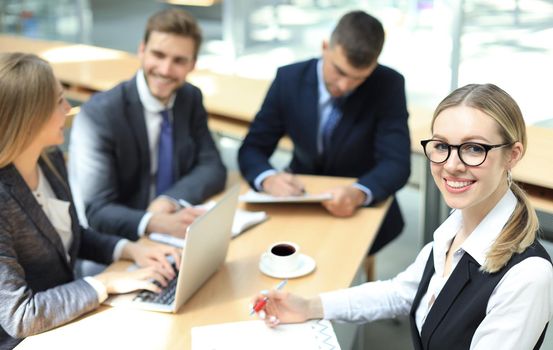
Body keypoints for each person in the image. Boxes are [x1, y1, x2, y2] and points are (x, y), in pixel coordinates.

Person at [252, 84, 553, 349]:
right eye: (442, 146)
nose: (451, 165)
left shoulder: (527, 277)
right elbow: (402, 292)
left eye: (474, 148)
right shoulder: (458, 223)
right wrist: (308, 306)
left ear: (513, 155)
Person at [0, 53, 182, 349]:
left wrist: (130, 249)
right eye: (59, 101)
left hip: (69, 318)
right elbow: (20, 316)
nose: (69, 108)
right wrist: (105, 284)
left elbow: (70, 235)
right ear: (31, 117)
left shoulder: (49, 159)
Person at [238, 10, 410, 254]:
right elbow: (253, 147)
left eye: (358, 78)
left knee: (339, 262)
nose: (344, 86)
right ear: (325, 47)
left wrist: (359, 193)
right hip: (298, 197)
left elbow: (397, 163)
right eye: (339, 71)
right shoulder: (288, 79)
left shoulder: (388, 84)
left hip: (357, 206)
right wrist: (268, 177)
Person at [69, 9, 226, 240]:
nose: (165, 70)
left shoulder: (190, 98)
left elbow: (212, 166)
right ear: (141, 50)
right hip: (117, 241)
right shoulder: (100, 114)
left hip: (175, 230)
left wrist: (169, 200)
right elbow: (97, 210)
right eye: (158, 55)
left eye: (179, 61)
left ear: (193, 64)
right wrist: (154, 222)